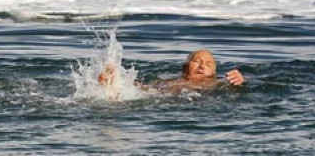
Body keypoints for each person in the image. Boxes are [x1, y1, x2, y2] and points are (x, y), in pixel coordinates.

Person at [98, 48, 245, 92]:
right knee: (139, 88)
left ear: (214, 72)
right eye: (197, 62)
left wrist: (239, 80)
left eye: (208, 65)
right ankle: (114, 84)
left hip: (191, 103)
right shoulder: (171, 80)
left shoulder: (216, 82)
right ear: (185, 68)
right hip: (162, 94)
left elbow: (232, 84)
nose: (202, 66)